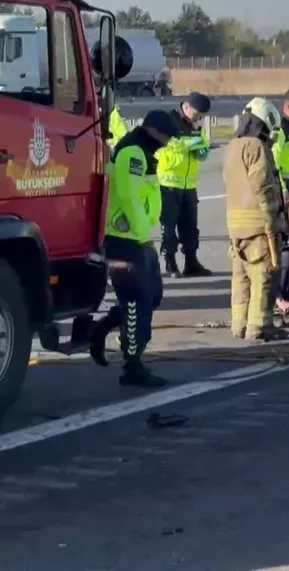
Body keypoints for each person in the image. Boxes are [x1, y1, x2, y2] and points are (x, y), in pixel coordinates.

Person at [90, 109, 180, 387]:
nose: (167, 142)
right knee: (136, 300)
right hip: (125, 239)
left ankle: (103, 328)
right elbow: (128, 198)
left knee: (151, 296)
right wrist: (142, 235)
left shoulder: (143, 152)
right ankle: (132, 365)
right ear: (154, 131)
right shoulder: (132, 153)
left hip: (139, 237)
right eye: (166, 137)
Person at [224, 97, 288, 341]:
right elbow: (262, 183)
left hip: (235, 225)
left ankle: (239, 325)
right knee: (263, 277)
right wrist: (272, 214)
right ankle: (259, 327)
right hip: (258, 225)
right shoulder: (257, 148)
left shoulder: (232, 146)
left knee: (240, 278)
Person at [156, 91, 213, 278]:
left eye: (201, 116)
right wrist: (190, 143)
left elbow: (203, 141)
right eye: (196, 114)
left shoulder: (196, 125)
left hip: (189, 183)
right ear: (186, 107)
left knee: (190, 225)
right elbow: (167, 144)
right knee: (169, 224)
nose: (198, 118)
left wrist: (203, 149)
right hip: (169, 181)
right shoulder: (168, 121)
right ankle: (170, 263)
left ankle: (191, 262)